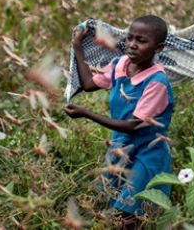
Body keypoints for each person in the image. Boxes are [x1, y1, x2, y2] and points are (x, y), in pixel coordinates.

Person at [64, 15, 174, 229]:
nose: (132, 44)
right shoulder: (120, 64)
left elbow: (133, 125)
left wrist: (86, 113)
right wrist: (78, 46)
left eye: (141, 41)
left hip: (146, 152)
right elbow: (88, 83)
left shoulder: (156, 82)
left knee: (128, 212)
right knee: (111, 206)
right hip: (120, 148)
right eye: (130, 38)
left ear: (158, 47)